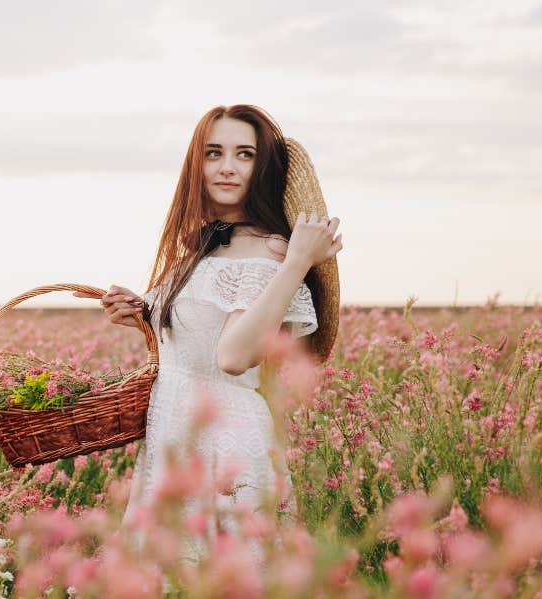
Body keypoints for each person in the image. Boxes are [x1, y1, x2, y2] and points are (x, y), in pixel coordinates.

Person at [74, 104, 342, 567]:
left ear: (263, 167)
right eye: (214, 152)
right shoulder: (200, 245)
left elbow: (236, 356)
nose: (227, 167)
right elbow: (199, 334)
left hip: (226, 438)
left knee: (223, 571)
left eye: (244, 154)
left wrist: (298, 260)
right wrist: (143, 311)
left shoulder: (271, 249)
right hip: (175, 429)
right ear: (196, 162)